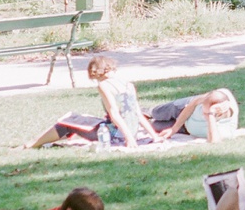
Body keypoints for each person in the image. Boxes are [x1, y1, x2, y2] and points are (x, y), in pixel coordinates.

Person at [29, 56, 161, 150]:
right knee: (85, 119)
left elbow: (114, 114)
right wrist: (154, 136)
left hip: (115, 135)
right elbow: (137, 113)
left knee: (68, 122)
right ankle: (41, 142)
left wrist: (128, 138)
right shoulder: (128, 85)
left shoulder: (104, 85)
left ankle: (32, 144)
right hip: (132, 131)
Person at [146, 89, 239, 143]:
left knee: (154, 126)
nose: (202, 113)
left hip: (186, 129)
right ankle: (145, 111)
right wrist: (173, 129)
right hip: (184, 109)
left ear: (218, 114)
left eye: (205, 113)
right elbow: (193, 103)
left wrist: (210, 115)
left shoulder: (226, 129)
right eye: (202, 108)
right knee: (157, 113)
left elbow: (214, 142)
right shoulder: (218, 95)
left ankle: (141, 120)